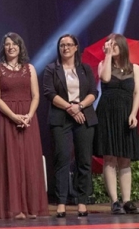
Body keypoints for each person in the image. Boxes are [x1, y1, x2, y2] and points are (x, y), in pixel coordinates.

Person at [0, 32, 48, 220]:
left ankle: (32, 207)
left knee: (30, 161)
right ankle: (14, 209)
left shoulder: (30, 68)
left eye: (14, 44)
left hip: (28, 118)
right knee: (11, 162)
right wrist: (14, 117)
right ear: (3, 48)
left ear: (20, 47)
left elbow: (36, 96)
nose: (11, 47)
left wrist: (29, 115)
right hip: (7, 118)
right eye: (7, 44)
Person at [42, 34, 98, 218]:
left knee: (84, 160)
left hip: (84, 116)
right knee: (62, 159)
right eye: (62, 45)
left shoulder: (85, 69)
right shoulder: (52, 69)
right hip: (61, 117)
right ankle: (61, 202)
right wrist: (70, 108)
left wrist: (79, 107)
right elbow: (49, 93)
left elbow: (93, 92)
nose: (65, 48)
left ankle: (82, 201)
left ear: (76, 47)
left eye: (68, 45)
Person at [93, 33, 139, 215]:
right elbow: (106, 79)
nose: (111, 47)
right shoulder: (103, 64)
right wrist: (107, 55)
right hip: (107, 113)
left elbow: (137, 93)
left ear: (122, 46)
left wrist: (134, 114)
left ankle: (127, 200)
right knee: (109, 158)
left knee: (125, 158)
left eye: (114, 44)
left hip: (126, 114)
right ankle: (114, 201)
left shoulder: (135, 68)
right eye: (109, 44)